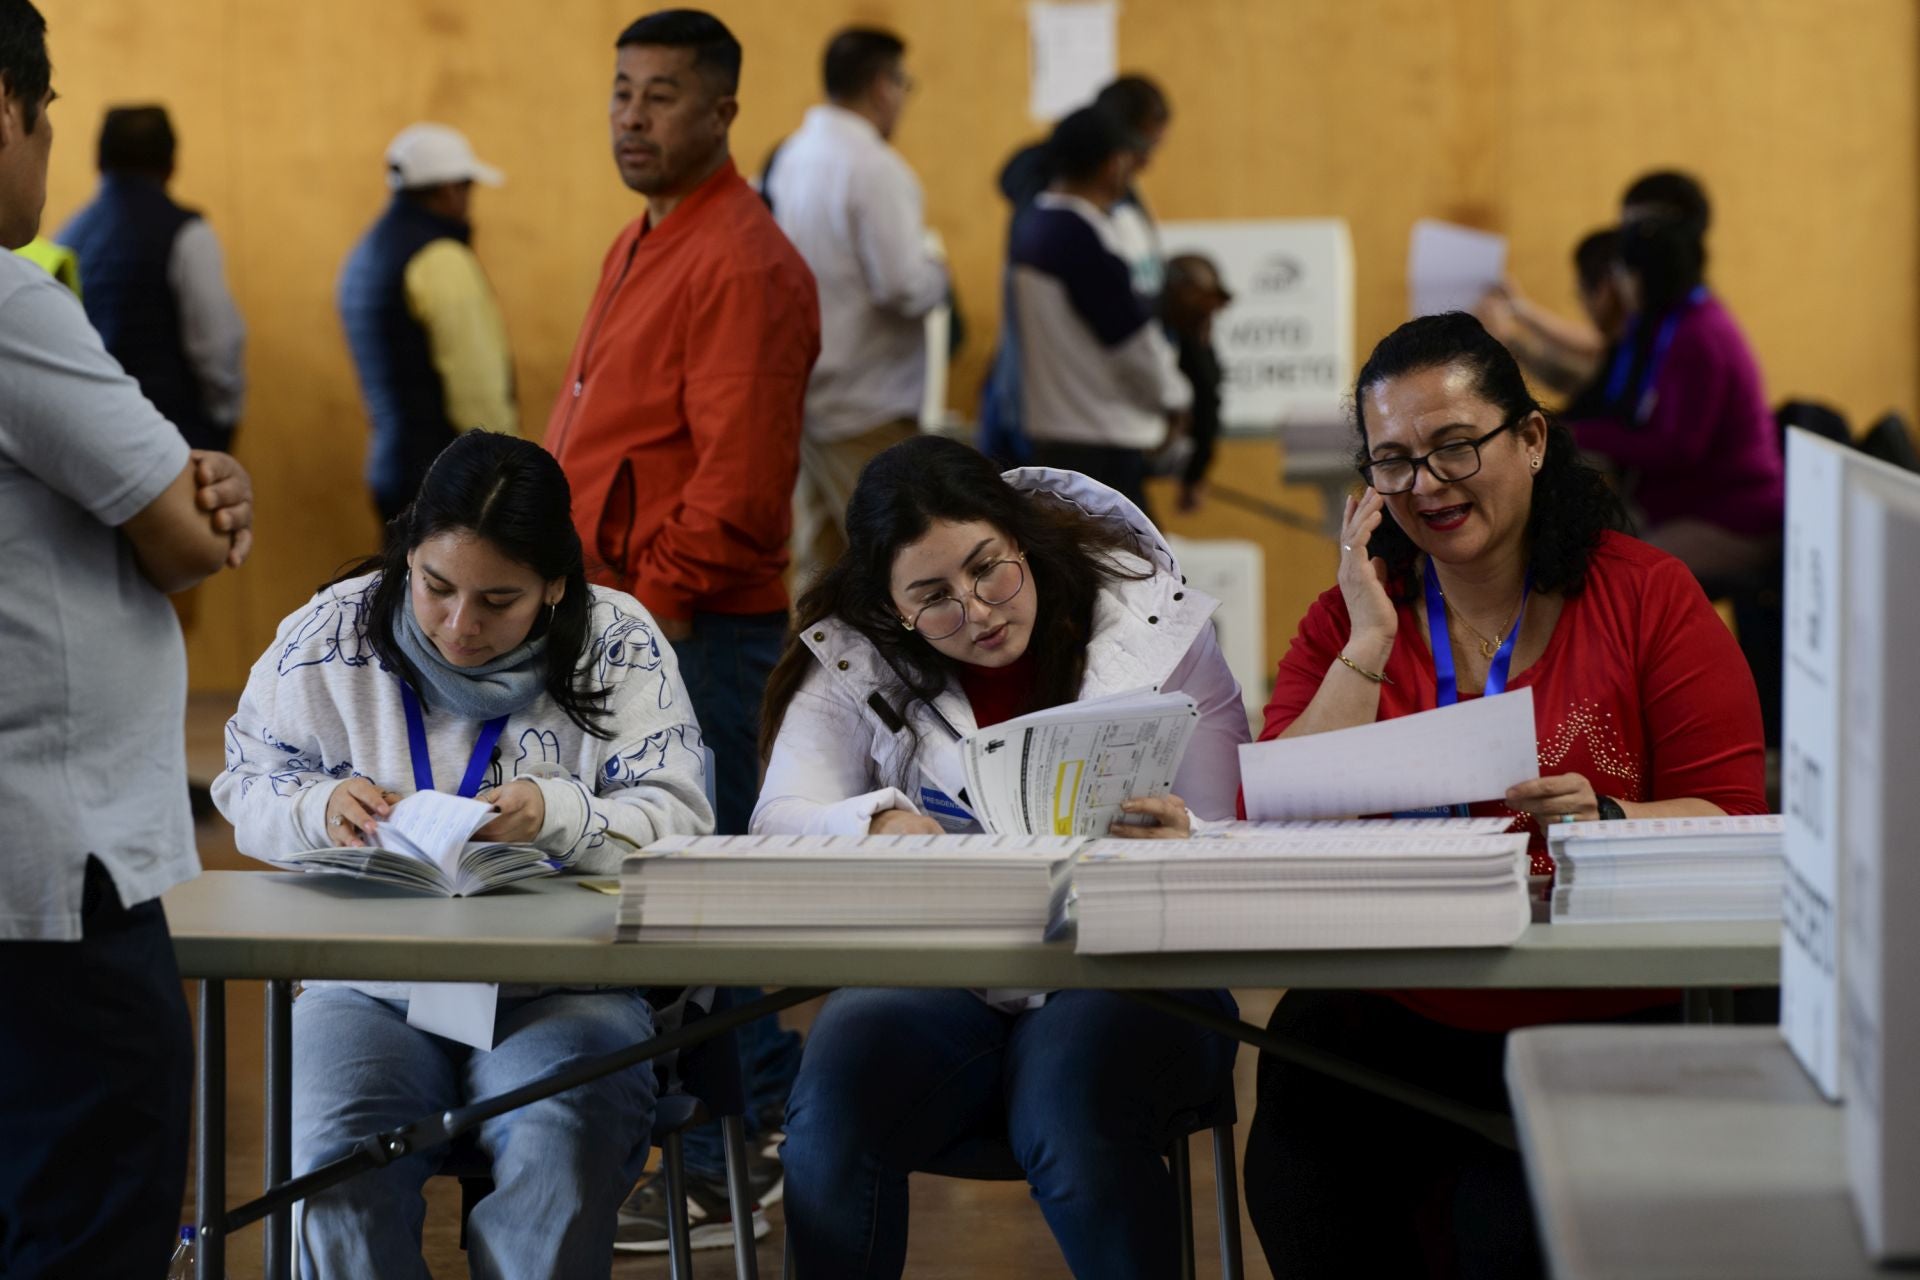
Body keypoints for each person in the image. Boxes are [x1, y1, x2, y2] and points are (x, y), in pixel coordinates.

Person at [1240, 312, 1767, 1279]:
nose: (1426, 486)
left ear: (1529, 439)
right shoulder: (1354, 616)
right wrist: (1366, 642)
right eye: (1392, 461)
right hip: (1402, 995)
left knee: (1503, 1230)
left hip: (1599, 1001)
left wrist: (1611, 823)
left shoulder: (1647, 596)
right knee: (1297, 1168)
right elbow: (1278, 813)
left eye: (1454, 447)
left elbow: (1734, 815)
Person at [212, 430, 711, 1278]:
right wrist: (314, 806)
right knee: (332, 1148)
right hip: (370, 985)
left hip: (563, 989)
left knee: (566, 1130)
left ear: (556, 587)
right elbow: (245, 782)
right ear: (407, 556)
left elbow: (681, 821)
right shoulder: (331, 631)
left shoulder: (619, 639)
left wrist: (558, 812)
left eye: (498, 601)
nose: (458, 626)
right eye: (435, 587)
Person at [757, 434, 1246, 1278]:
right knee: (829, 1117)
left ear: (1020, 535)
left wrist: (1187, 840)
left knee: (1070, 1116)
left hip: (1130, 964)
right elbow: (777, 823)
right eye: (933, 597)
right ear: (891, 606)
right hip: (952, 973)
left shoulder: (1154, 622)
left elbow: (1238, 822)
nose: (978, 611)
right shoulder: (855, 656)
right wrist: (872, 823)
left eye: (989, 568)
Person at [543, 9, 818, 1250]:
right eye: (620, 93)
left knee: (709, 900)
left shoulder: (745, 261)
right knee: (667, 891)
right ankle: (719, 1133)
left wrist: (633, 610)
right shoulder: (647, 237)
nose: (633, 117)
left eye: (661, 97)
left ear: (720, 111)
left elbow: (737, 492)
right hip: (626, 617)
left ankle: (746, 1148)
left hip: (693, 631)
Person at [0, 3, 255, 1272]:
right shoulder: (6, 295)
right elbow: (183, 538)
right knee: (94, 1206)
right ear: (6, 106)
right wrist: (198, 481)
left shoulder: (74, 249)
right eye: (41, 122)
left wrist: (179, 477)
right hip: (52, 866)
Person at [765, 26, 947, 570]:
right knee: (900, 562)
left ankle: (811, 660)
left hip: (811, 392)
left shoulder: (793, 155)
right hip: (868, 401)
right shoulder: (874, 167)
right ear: (881, 86)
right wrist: (939, 274)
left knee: (826, 564)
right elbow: (903, 286)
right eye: (903, 84)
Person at [1562, 215, 1784, 586]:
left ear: (1643, 277)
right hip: (1698, 499)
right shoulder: (1674, 322)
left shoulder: (1698, 336)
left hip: (1735, 515)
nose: (1620, 286)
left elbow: (1678, 448)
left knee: (1621, 579)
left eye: (1623, 275)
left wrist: (1584, 435)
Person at [981, 74, 1172, 467]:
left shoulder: (1087, 211)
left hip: (1088, 414)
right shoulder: (1067, 223)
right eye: (1141, 147)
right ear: (1112, 153)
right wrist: (1170, 397)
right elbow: (1121, 327)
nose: (1145, 162)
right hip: (1079, 419)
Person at [1008, 106, 1190, 513]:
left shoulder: (1035, 222)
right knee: (1138, 571)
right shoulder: (1077, 234)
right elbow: (1130, 341)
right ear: (1113, 164)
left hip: (1055, 435)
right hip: (1099, 444)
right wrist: (1176, 398)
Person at [338, 122, 518, 523]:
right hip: (448, 482)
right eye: (468, 188)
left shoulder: (368, 251)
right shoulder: (441, 258)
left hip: (392, 466)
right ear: (450, 189)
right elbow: (478, 386)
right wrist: (506, 474)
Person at [56, 103, 247, 452]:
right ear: (172, 165)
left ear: (98, 163)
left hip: (87, 448)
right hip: (171, 443)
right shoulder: (186, 233)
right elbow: (218, 347)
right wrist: (223, 424)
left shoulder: (68, 237)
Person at [1477, 168, 1711, 395]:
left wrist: (1512, 335)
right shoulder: (1659, 325)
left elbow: (1582, 370)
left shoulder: (1686, 334)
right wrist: (1520, 312)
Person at [1160, 252, 1234, 511]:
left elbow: (1207, 401)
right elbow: (1205, 398)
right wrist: (1194, 474)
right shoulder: (1162, 339)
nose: (1208, 318)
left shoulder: (1193, 339)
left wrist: (1195, 474)